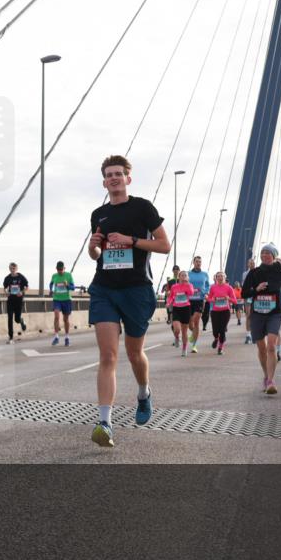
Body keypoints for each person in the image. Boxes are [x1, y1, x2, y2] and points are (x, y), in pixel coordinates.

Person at [87, 154, 171, 447]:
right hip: (104, 289)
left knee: (135, 353)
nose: (113, 178)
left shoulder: (143, 208)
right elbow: (96, 256)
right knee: (108, 356)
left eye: (118, 174)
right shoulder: (99, 214)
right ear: (104, 181)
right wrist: (93, 247)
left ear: (127, 179)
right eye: (108, 174)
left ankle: (144, 392)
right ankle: (104, 423)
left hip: (136, 289)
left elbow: (164, 245)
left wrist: (131, 240)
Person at [241, 243, 281, 395]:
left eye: (268, 253)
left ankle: (271, 380)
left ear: (273, 256)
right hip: (257, 313)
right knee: (261, 348)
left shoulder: (280, 272)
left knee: (271, 345)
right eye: (262, 252)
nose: (264, 255)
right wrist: (255, 290)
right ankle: (266, 376)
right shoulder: (254, 273)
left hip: (274, 313)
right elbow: (244, 293)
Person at [208, 272, 238, 354]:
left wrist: (228, 298)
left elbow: (235, 301)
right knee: (215, 331)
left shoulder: (229, 288)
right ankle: (216, 338)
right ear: (216, 278)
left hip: (225, 312)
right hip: (215, 311)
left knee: (222, 330)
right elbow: (209, 299)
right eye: (218, 276)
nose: (220, 278)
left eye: (222, 276)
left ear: (225, 278)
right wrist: (212, 299)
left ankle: (220, 348)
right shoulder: (213, 287)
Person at [168, 270, 195, 357]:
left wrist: (187, 284)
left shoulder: (189, 285)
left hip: (186, 309)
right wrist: (169, 303)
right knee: (176, 329)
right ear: (179, 277)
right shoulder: (174, 287)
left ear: (187, 277)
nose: (183, 277)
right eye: (182, 275)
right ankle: (176, 337)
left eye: (185, 275)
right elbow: (171, 296)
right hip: (176, 309)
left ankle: (184, 348)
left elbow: (191, 293)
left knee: (184, 331)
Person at [186, 256, 210, 353]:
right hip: (189, 300)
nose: (198, 263)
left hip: (200, 300)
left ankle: (194, 345)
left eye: (200, 262)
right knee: (189, 324)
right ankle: (193, 335)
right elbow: (184, 284)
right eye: (197, 261)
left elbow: (207, 285)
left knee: (196, 321)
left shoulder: (205, 274)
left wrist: (205, 292)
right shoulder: (188, 274)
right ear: (193, 262)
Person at [50, 261, 75, 346]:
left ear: (64, 268)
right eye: (58, 269)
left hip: (66, 300)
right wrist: (51, 290)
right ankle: (56, 336)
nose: (60, 271)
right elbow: (51, 284)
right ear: (56, 269)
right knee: (56, 316)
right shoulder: (54, 276)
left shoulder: (68, 275)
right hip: (57, 299)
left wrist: (67, 285)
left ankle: (67, 337)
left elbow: (73, 288)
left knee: (65, 319)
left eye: (61, 269)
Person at [3, 263, 29, 344]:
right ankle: (10, 337)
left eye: (14, 268)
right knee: (10, 318)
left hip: (18, 300)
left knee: (17, 319)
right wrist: (6, 292)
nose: (12, 270)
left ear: (16, 269)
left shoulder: (21, 277)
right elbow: (5, 288)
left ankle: (21, 321)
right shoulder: (7, 278)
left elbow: (27, 287)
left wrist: (22, 292)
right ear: (9, 269)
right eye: (11, 268)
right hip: (10, 300)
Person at [242, 257, 255, 344]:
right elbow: (243, 285)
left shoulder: (259, 272)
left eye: (253, 263)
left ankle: (255, 333)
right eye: (250, 263)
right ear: (248, 264)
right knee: (248, 315)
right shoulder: (245, 274)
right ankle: (248, 335)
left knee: (256, 315)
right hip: (248, 297)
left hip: (257, 296)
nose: (251, 264)